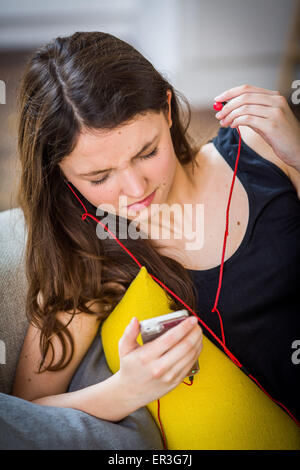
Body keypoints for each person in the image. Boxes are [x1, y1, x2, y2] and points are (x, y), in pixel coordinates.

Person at [12, 30, 300, 429]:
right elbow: (22, 411)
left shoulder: (263, 146)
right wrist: (126, 390)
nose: (135, 189)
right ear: (58, 173)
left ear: (166, 108)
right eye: (99, 177)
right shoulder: (89, 257)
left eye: (147, 152)